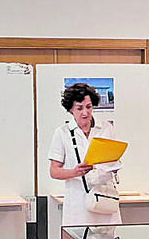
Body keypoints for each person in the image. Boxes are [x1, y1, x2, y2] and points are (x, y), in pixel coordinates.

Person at [48, 81, 121, 227]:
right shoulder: (62, 133)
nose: (85, 113)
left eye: (88, 107)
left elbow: (114, 160)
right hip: (78, 203)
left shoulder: (106, 128)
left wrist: (113, 165)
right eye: (79, 108)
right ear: (71, 110)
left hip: (105, 199)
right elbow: (54, 171)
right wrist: (74, 172)